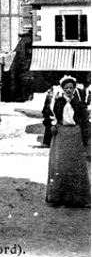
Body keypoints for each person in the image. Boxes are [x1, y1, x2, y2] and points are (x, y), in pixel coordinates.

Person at [45, 75, 91, 208]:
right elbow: (48, 115)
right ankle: (58, 197)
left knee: (75, 167)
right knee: (60, 165)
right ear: (63, 89)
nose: (69, 90)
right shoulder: (57, 102)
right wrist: (52, 126)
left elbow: (84, 121)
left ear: (74, 89)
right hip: (61, 135)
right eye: (67, 88)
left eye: (71, 88)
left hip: (75, 135)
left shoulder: (79, 103)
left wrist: (86, 138)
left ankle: (76, 199)